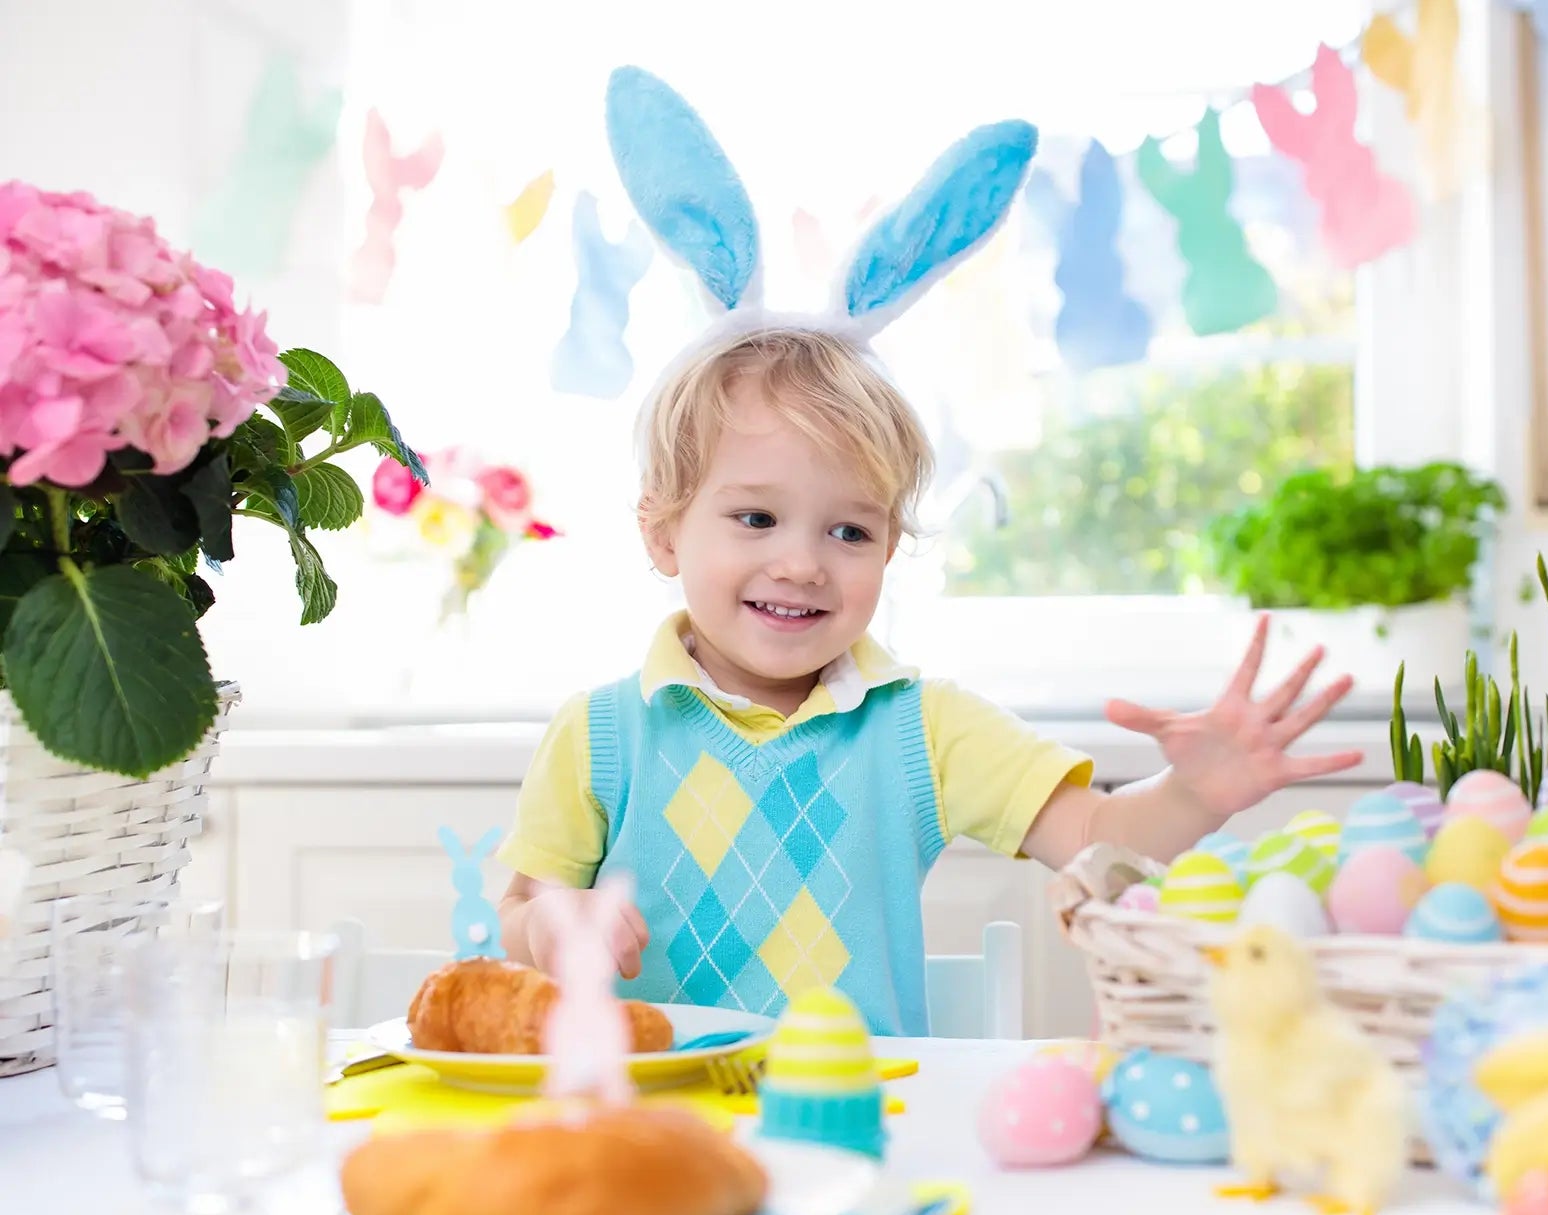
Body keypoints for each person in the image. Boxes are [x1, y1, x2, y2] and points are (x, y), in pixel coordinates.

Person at [494, 67, 1362, 1035]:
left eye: (849, 529)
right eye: (754, 519)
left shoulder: (923, 729)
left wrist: (1196, 791)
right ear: (663, 530)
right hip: (653, 1132)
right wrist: (552, 925)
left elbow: (1100, 837)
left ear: (890, 545)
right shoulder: (603, 733)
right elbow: (522, 912)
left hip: (866, 1124)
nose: (801, 562)